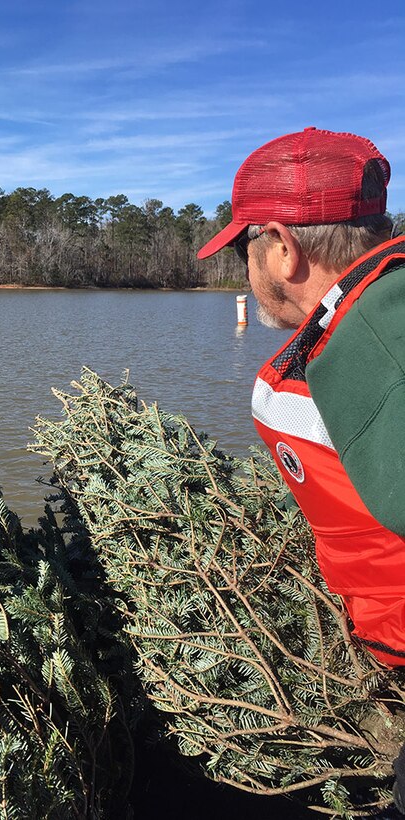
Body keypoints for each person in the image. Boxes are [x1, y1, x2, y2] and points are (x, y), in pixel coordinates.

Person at [196, 126, 405, 813]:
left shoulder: (382, 349)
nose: (244, 272)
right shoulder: (362, 322)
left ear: (282, 248)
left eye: (244, 250)